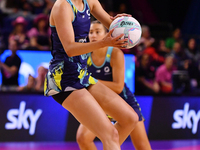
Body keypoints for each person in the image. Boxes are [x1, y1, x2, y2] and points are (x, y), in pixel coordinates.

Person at [44, 0, 138, 149]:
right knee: (110, 135)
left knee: (130, 118)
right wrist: (103, 42)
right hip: (64, 79)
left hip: (82, 75)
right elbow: (70, 48)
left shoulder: (90, 1)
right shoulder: (62, 6)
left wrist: (123, 23)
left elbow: (112, 26)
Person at [76, 20, 152, 150]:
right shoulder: (84, 55)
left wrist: (90, 80)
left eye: (97, 32)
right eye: (90, 32)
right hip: (102, 103)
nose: (93, 35)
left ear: (106, 34)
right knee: (83, 138)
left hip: (124, 101)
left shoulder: (115, 53)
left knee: (142, 146)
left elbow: (118, 87)